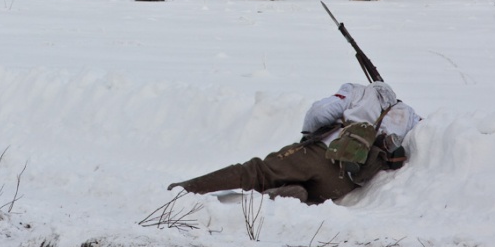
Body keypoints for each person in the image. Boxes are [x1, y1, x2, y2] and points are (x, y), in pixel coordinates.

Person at [167, 82, 419, 205]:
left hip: (322, 154)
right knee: (301, 193)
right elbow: (428, 132)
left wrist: (309, 138)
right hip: (345, 183)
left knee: (257, 171)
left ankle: (184, 190)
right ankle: (286, 197)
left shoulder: (358, 90)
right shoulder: (408, 115)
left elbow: (320, 112)